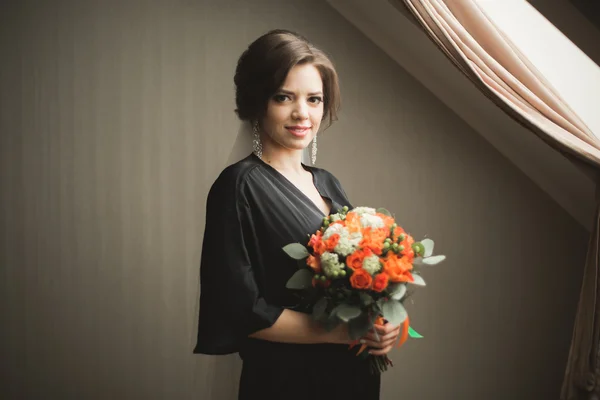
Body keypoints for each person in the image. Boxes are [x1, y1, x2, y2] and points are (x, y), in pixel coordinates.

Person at [193, 29, 401, 400]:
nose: (302, 113)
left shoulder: (328, 183)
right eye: (283, 97)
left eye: (314, 99)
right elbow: (238, 310)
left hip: (352, 378)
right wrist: (341, 331)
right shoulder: (238, 187)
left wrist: (380, 324)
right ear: (258, 101)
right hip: (286, 381)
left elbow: (352, 288)